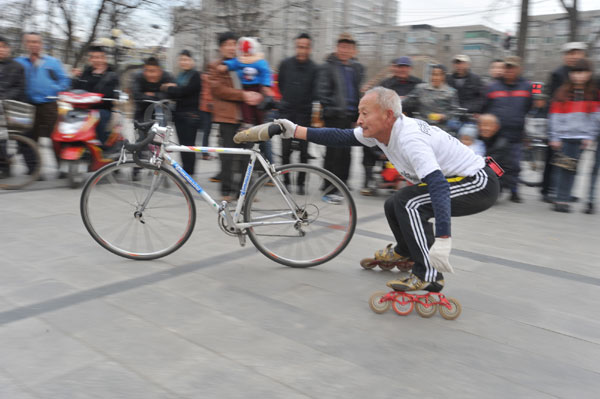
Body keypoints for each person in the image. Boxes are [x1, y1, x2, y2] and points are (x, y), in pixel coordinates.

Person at [268, 87, 501, 291]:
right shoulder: (380, 132)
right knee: (395, 202)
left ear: (388, 115)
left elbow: (437, 185)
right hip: (459, 179)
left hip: (478, 183)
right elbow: (341, 136)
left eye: (365, 113)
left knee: (409, 202)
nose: (359, 120)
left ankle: (428, 275)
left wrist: (443, 238)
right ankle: (406, 251)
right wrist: (296, 130)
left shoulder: (410, 139)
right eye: (359, 113)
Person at [209, 31, 263, 201]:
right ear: (220, 48)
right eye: (227, 44)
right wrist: (243, 95)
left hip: (246, 118)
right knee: (227, 156)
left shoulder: (245, 62)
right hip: (227, 118)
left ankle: (245, 191)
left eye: (234, 44)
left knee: (248, 155)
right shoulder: (216, 66)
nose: (231, 48)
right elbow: (218, 89)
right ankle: (226, 192)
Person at [317, 32, 365, 200]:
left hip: (351, 116)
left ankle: (343, 182)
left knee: (347, 152)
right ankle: (328, 186)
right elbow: (322, 92)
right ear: (337, 48)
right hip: (334, 116)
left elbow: (358, 91)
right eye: (342, 47)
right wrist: (333, 107)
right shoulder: (328, 66)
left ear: (354, 50)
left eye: (348, 47)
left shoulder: (356, 68)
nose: (345, 50)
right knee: (333, 152)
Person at [547, 58, 599, 213]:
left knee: (572, 169)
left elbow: (595, 117)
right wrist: (554, 137)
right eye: (576, 72)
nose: (579, 76)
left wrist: (590, 136)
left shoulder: (593, 93)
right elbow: (555, 116)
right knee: (562, 168)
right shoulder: (563, 92)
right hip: (564, 137)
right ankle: (560, 199)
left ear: (589, 74)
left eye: (583, 72)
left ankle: (564, 198)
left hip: (580, 138)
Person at [16, 32, 70, 174]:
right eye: (30, 42)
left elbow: (65, 81)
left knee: (56, 137)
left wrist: (53, 89)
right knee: (29, 138)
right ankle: (34, 170)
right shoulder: (19, 62)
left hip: (49, 105)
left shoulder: (52, 62)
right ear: (25, 44)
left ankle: (62, 168)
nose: (33, 44)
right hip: (27, 106)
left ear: (41, 44)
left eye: (36, 42)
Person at [541, 42, 588, 202]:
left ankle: (565, 191)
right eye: (570, 53)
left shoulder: (586, 75)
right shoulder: (557, 74)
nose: (574, 56)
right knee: (553, 158)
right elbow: (551, 98)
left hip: (577, 124)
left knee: (571, 161)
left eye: (578, 53)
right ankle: (548, 190)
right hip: (559, 122)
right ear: (565, 55)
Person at [483, 56, 532, 203]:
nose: (509, 70)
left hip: (516, 134)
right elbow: (486, 107)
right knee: (495, 164)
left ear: (518, 69)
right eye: (507, 67)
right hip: (497, 135)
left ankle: (514, 191)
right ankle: (497, 190)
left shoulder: (527, 86)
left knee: (515, 165)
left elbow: (528, 107)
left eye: (512, 67)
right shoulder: (493, 87)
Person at [277, 33, 318, 194]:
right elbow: (281, 84)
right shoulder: (286, 64)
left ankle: (301, 183)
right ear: (296, 47)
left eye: (305, 47)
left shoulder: (315, 68)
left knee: (304, 153)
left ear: (310, 48)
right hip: (287, 113)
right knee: (285, 152)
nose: (302, 50)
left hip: (305, 115)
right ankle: (286, 182)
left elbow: (315, 90)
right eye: (300, 46)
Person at [161, 50, 201, 175]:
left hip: (191, 116)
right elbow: (174, 94)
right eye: (182, 59)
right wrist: (173, 89)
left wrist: (171, 88)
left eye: (187, 59)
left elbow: (184, 91)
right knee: (182, 145)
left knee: (189, 146)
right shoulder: (180, 76)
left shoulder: (196, 76)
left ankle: (190, 172)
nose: (184, 62)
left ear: (193, 61)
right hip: (179, 115)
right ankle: (185, 171)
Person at [218, 37, 274, 126]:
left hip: (257, 87)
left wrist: (266, 86)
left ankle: (261, 125)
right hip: (245, 88)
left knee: (259, 110)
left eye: (248, 52)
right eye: (244, 52)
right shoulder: (240, 60)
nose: (246, 55)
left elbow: (265, 73)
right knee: (245, 108)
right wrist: (225, 66)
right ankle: (247, 124)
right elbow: (233, 63)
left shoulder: (259, 61)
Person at [71, 46, 119, 147]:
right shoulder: (85, 72)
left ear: (105, 58)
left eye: (100, 57)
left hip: (102, 109)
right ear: (90, 59)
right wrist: (75, 78)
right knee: (68, 115)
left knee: (98, 116)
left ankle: (102, 146)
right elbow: (76, 90)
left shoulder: (112, 75)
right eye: (94, 57)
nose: (97, 60)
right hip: (83, 108)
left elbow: (110, 94)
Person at [0, 36, 26, 177]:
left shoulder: (17, 67)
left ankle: (6, 166)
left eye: (4, 47)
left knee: (4, 141)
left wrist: (4, 99)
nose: (1, 50)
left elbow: (20, 88)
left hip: (11, 108)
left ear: (8, 49)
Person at [131, 56, 174, 122]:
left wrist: (153, 94)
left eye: (153, 71)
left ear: (160, 71)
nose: (150, 74)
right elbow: (136, 95)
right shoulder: (138, 77)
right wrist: (157, 97)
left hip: (162, 112)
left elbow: (170, 94)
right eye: (147, 71)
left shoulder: (167, 76)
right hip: (142, 112)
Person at [478, 113, 512, 193]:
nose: (485, 128)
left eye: (489, 125)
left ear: (496, 127)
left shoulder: (501, 144)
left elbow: (490, 165)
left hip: (497, 181)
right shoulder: (477, 139)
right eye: (482, 125)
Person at [199, 70, 214, 159]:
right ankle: (205, 153)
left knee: (205, 132)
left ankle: (205, 152)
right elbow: (207, 94)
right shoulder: (209, 78)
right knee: (206, 132)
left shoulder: (204, 77)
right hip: (207, 109)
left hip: (204, 108)